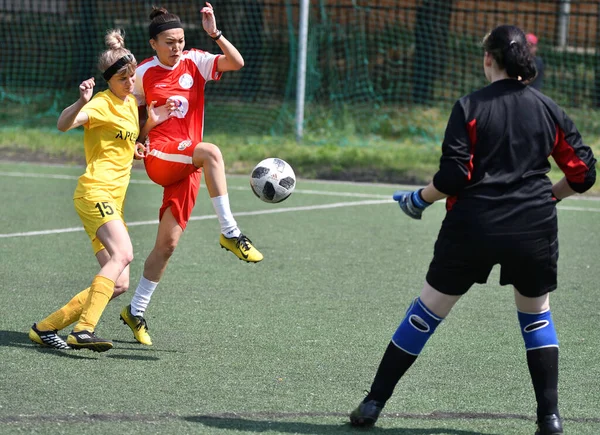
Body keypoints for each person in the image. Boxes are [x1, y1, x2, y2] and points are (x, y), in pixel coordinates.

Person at [349, 25, 595, 435]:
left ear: (488, 60)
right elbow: (584, 172)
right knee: (536, 318)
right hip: (532, 228)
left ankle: (373, 403)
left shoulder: (470, 107)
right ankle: (549, 420)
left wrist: (419, 199)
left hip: (473, 225)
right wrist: (550, 197)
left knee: (425, 314)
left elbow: (454, 176)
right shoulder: (549, 109)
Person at [119, 2, 262, 346]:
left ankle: (135, 310)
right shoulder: (142, 74)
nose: (176, 47)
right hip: (161, 156)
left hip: (187, 164)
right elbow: (133, 123)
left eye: (180, 40)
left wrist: (215, 33)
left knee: (166, 246)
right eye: (169, 41)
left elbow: (237, 63)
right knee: (211, 151)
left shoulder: (195, 61)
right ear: (153, 43)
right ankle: (230, 232)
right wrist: (145, 130)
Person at [28, 29, 166, 352]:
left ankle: (45, 328)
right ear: (108, 80)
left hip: (112, 202)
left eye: (131, 76)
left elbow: (124, 139)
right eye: (122, 78)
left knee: (119, 282)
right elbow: (63, 125)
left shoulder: (131, 104)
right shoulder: (100, 105)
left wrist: (144, 136)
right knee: (124, 254)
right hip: (95, 193)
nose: (130, 82)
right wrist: (80, 101)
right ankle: (83, 330)